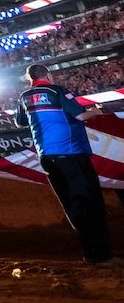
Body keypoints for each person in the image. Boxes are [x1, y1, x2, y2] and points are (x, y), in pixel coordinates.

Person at [15, 64, 113, 263]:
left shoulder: (24, 96)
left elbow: (20, 122)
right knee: (89, 202)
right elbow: (80, 115)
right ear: (48, 74)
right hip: (71, 154)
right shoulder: (56, 91)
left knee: (70, 203)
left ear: (29, 79)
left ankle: (89, 252)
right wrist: (96, 111)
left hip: (46, 157)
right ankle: (100, 254)